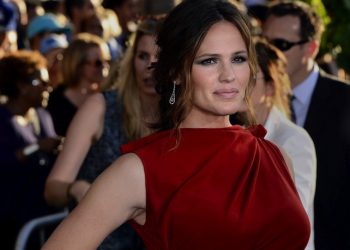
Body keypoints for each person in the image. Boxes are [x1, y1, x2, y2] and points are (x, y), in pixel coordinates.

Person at [42, 1, 310, 249]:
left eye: (238, 59)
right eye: (209, 61)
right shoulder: (139, 171)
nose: (228, 75)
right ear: (176, 72)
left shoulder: (275, 156)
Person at [44, 17, 161, 249]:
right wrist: (74, 188)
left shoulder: (182, 115)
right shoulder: (101, 107)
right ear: (131, 60)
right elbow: (53, 189)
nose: (150, 66)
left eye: (161, 58)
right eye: (143, 56)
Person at [262, 2, 350, 249]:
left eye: (281, 45)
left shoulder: (345, 102)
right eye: (264, 43)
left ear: (311, 49)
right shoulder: (250, 101)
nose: (270, 54)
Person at [237, 37, 317, 249]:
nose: (239, 84)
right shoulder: (237, 134)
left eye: (251, 78)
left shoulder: (294, 140)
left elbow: (293, 217)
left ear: (270, 88)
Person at [0, 50, 61, 249]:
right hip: (11, 221)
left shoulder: (43, 116)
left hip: (44, 216)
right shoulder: (2, 120)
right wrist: (36, 147)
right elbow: (5, 161)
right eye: (41, 82)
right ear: (22, 86)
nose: (48, 87)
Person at [46, 32, 110, 136]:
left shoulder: (108, 97)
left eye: (106, 61)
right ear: (78, 64)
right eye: (98, 63)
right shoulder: (55, 100)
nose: (104, 66)